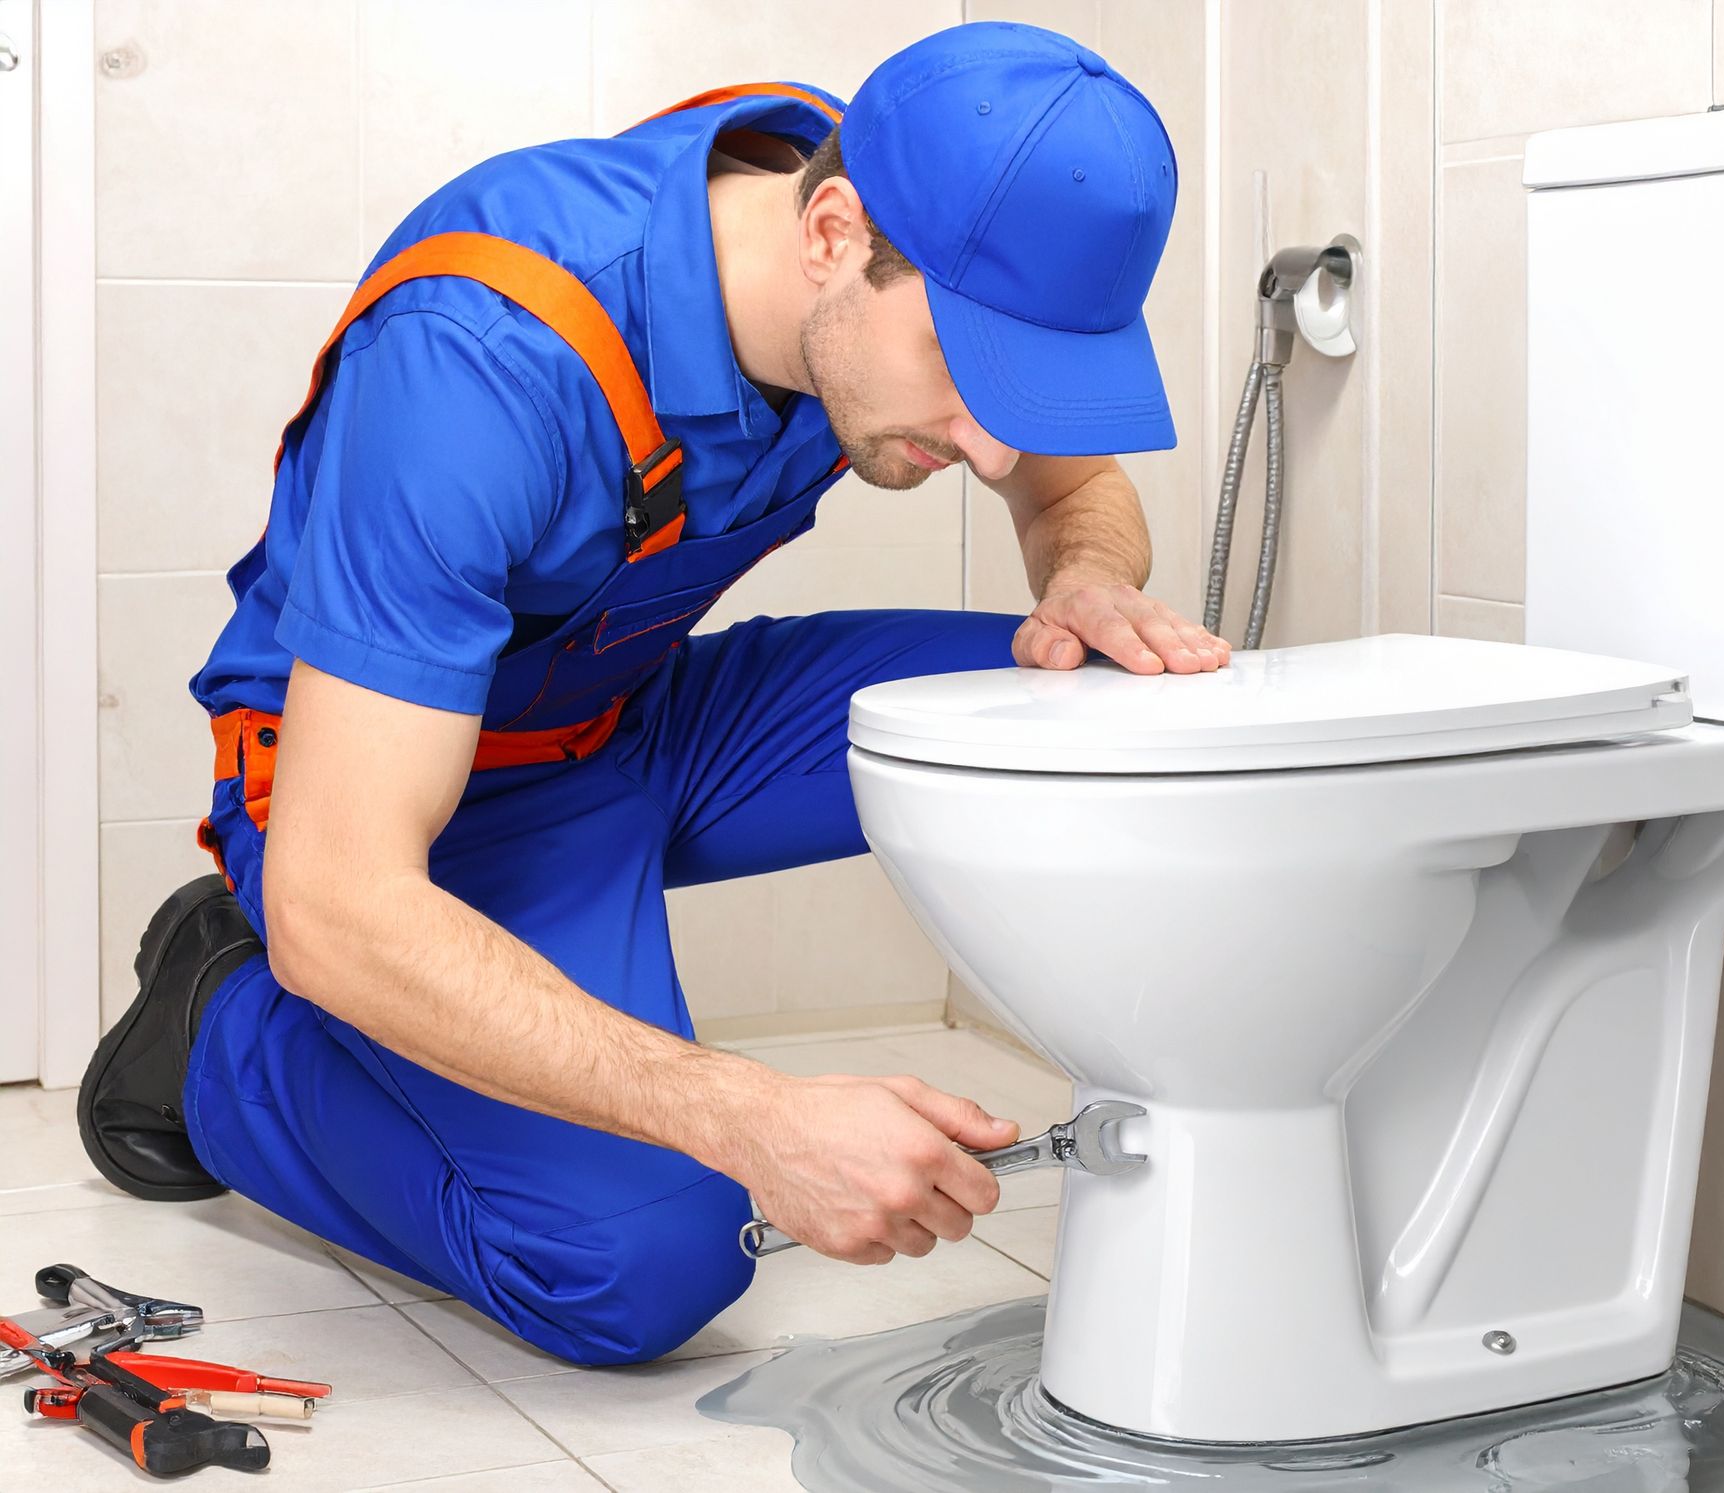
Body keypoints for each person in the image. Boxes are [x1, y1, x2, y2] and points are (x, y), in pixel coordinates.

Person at [77, 21, 1228, 1365]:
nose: (992, 444)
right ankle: (218, 1022)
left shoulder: (898, 195)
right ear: (831, 235)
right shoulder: (477, 362)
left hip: (634, 716)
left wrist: (1086, 577)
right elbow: (341, 901)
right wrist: (753, 1115)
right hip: (388, 799)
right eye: (970, 372)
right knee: (637, 1263)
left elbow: (1072, 486)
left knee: (1115, 711)